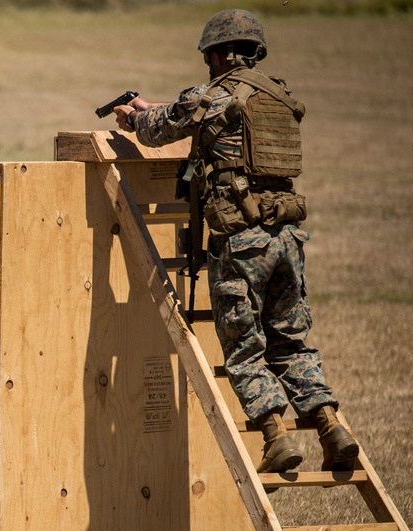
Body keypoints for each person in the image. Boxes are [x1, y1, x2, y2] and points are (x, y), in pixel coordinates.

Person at [111, 8, 359, 474]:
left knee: (244, 346)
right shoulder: (278, 96)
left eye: (210, 56)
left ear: (220, 54)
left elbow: (158, 127)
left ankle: (275, 438)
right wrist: (160, 106)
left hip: (242, 243)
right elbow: (209, 115)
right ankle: (331, 427)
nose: (209, 63)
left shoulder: (211, 96)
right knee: (291, 341)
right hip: (286, 236)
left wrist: (132, 118)